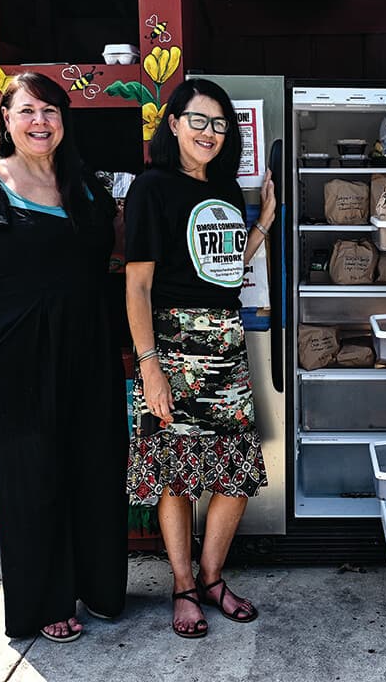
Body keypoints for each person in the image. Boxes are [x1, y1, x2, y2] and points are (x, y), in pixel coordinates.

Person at [0, 72, 128, 643]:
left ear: (64, 120)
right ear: (7, 120)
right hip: (15, 349)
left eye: (50, 110)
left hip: (88, 345)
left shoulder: (87, 186)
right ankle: (44, 599)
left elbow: (114, 258)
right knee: (30, 474)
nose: (40, 121)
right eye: (27, 111)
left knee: (94, 464)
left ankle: (97, 587)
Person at [123, 78, 275, 639]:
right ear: (173, 123)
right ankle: (183, 586)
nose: (210, 133)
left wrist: (260, 223)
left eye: (220, 124)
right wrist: (150, 366)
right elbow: (136, 288)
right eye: (199, 120)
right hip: (171, 346)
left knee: (234, 475)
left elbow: (226, 272)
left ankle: (213, 577)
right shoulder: (151, 188)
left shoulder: (230, 191)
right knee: (176, 479)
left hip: (227, 345)